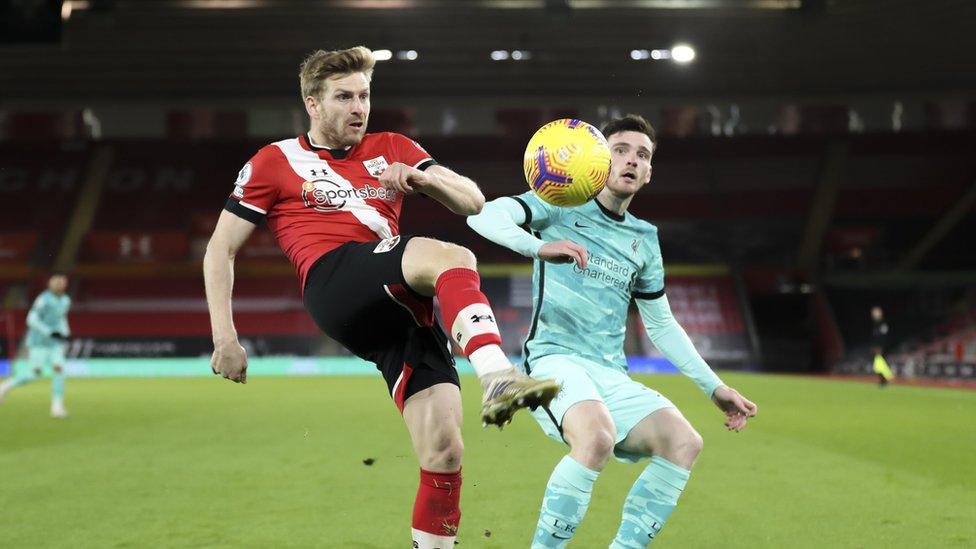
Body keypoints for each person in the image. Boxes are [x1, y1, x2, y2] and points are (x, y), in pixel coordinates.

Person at [202, 46, 558, 549]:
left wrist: (421, 179)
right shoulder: (274, 161)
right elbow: (221, 249)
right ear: (313, 103)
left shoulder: (392, 146)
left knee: (444, 450)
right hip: (334, 281)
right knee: (452, 257)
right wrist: (225, 337)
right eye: (343, 96)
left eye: (364, 95)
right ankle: (499, 375)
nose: (358, 107)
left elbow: (474, 200)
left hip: (397, 311)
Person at [466, 114, 758, 547]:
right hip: (555, 359)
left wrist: (714, 388)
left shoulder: (645, 238)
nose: (631, 160)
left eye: (642, 155)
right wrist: (539, 246)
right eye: (620, 149)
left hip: (610, 373)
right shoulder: (558, 202)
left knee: (684, 442)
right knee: (596, 437)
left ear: (649, 173)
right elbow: (483, 217)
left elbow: (661, 324)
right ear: (598, 159)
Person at [0, 273, 71, 418]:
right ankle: (3, 387)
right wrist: (49, 332)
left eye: (64, 283)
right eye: (60, 283)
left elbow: (61, 318)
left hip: (54, 344)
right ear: (53, 284)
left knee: (59, 369)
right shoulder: (43, 299)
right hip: (39, 343)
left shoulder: (65, 300)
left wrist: (65, 332)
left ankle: (57, 407)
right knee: (34, 374)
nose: (63, 285)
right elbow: (31, 319)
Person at [870, 306, 894, 387]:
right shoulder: (876, 325)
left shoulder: (883, 324)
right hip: (877, 348)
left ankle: (887, 378)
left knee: (880, 364)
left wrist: (881, 347)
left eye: (876, 313)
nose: (874, 315)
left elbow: (884, 337)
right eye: (873, 313)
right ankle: (883, 380)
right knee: (877, 365)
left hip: (882, 349)